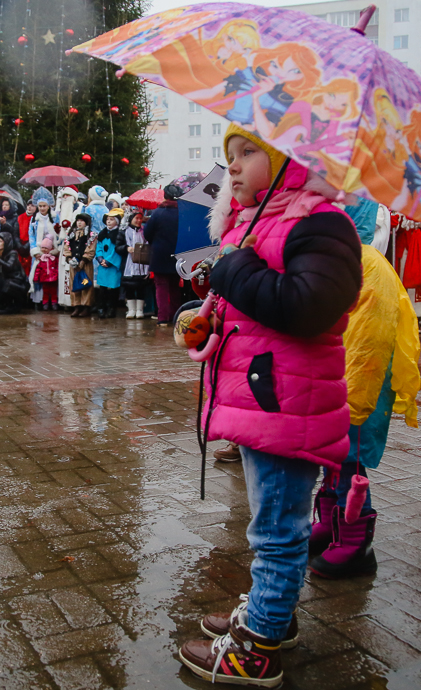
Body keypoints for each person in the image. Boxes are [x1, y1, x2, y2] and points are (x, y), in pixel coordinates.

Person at [177, 124, 362, 687]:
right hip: (263, 400)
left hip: (287, 403)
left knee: (277, 529)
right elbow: (252, 309)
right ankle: (270, 614)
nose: (232, 166)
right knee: (269, 520)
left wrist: (234, 268)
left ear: (290, 159)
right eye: (229, 155)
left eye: (248, 152)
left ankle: (259, 647)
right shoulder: (258, 222)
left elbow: (308, 308)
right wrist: (209, 318)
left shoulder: (321, 222)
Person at [308, 198, 421, 579]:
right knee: (330, 455)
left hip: (359, 385)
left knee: (349, 457)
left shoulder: (369, 266)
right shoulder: (334, 262)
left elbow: (369, 344)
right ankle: (329, 522)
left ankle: (356, 541)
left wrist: (353, 400)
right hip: (332, 378)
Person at [144, 184, 183, 325]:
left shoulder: (157, 213)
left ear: (165, 196)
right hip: (178, 253)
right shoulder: (183, 213)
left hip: (159, 254)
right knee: (174, 288)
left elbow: (147, 233)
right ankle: (175, 316)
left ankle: (162, 319)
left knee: (161, 287)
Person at [29, 189, 60, 309]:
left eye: (44, 206)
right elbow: (31, 236)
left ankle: (54, 300)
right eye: (40, 206)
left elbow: (59, 234)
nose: (42, 208)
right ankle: (40, 300)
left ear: (49, 206)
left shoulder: (54, 217)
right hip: (39, 250)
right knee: (39, 275)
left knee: (52, 277)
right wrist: (35, 251)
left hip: (52, 251)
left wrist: (55, 249)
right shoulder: (34, 220)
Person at [94, 207, 127, 318]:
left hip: (112, 266)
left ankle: (111, 308)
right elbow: (98, 247)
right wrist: (100, 258)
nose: (109, 221)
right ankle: (101, 308)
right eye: (108, 219)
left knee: (113, 289)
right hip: (103, 265)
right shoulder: (102, 233)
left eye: (112, 219)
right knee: (102, 289)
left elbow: (116, 250)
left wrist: (109, 261)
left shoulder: (119, 234)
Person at [0, 230, 29, 314]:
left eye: (0, 241)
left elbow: (9, 266)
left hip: (18, 282)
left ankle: (15, 305)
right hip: (6, 281)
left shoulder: (13, 253)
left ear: (6, 242)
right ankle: (5, 304)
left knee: (5, 284)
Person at [64, 213, 97, 317]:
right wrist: (69, 258)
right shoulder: (71, 234)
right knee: (74, 284)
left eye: (82, 221)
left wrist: (83, 261)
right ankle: (76, 306)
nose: (79, 223)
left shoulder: (91, 236)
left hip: (85, 265)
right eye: (78, 220)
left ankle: (86, 306)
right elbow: (66, 247)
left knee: (85, 283)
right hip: (74, 264)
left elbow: (91, 249)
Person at [121, 210, 150, 319]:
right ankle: (131, 309)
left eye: (140, 218)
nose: (138, 221)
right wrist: (126, 248)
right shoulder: (124, 231)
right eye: (136, 218)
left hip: (142, 264)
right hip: (128, 264)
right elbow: (118, 246)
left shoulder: (144, 231)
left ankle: (139, 310)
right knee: (129, 287)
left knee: (141, 287)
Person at [36, 235, 59, 309]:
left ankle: (54, 303)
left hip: (53, 278)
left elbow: (56, 267)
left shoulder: (53, 258)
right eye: (42, 247)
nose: (44, 249)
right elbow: (38, 268)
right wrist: (36, 277)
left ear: (50, 248)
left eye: (46, 248)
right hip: (44, 278)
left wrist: (57, 275)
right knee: (45, 291)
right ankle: (45, 303)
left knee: (53, 291)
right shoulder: (41, 259)